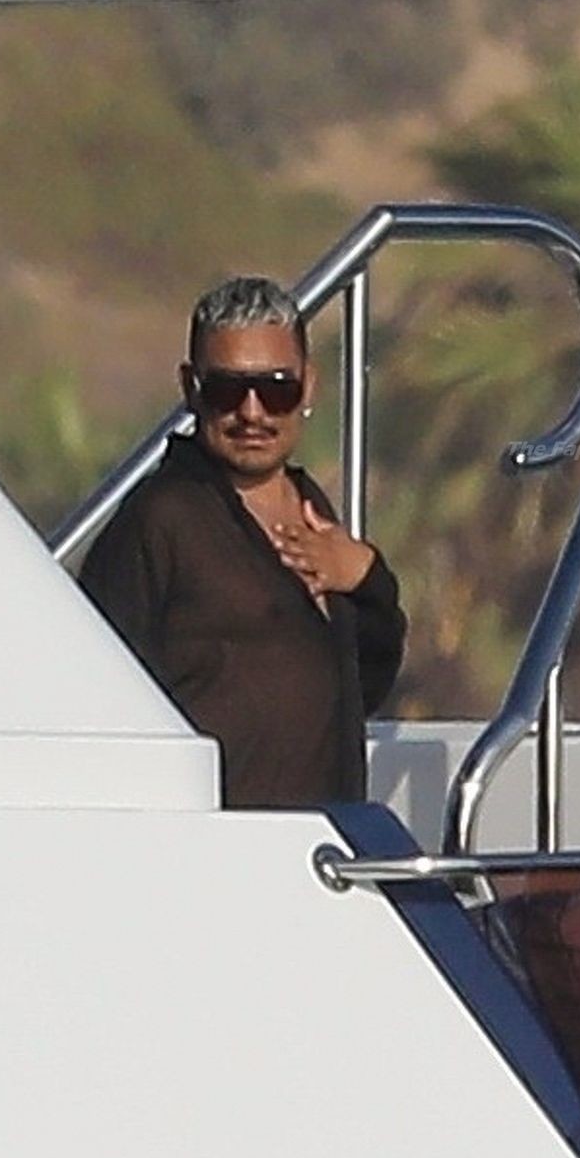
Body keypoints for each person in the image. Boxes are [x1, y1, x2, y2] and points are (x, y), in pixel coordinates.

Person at [80, 276, 406, 804]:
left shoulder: (312, 511)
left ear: (308, 387)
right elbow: (94, 694)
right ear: (191, 389)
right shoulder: (161, 520)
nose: (252, 412)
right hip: (212, 839)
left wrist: (367, 577)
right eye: (227, 390)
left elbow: (362, 684)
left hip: (323, 838)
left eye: (276, 389)